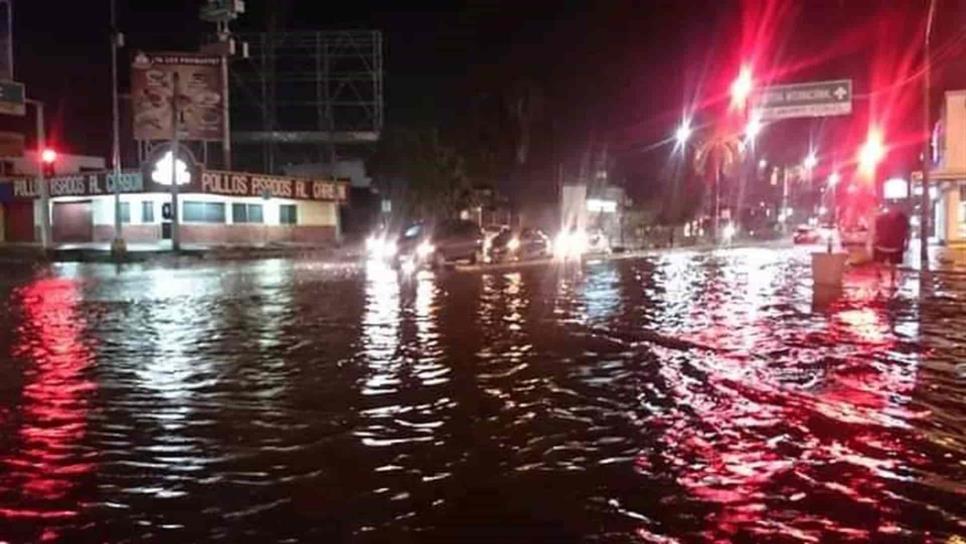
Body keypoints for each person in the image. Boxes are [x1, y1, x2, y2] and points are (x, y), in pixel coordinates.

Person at [873, 207, 910, 283]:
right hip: (884, 245)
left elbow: (907, 232)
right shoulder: (882, 218)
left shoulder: (902, 219)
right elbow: (876, 230)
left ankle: (890, 279)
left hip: (893, 245)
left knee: (892, 264)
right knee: (881, 262)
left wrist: (907, 242)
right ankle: (881, 276)